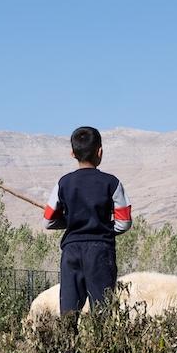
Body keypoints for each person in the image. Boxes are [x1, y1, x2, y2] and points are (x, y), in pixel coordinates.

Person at [43, 126, 132, 316]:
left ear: (72, 153)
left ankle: (68, 346)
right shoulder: (112, 183)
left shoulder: (63, 183)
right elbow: (124, 222)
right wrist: (104, 226)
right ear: (100, 152)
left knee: (68, 312)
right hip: (101, 251)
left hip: (71, 252)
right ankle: (100, 346)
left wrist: (71, 220)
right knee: (102, 312)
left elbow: (48, 220)